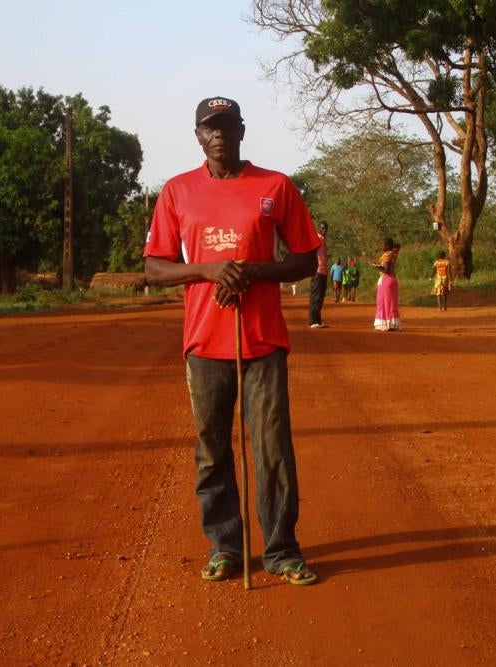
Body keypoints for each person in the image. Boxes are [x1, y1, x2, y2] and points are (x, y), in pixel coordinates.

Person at [143, 96, 319, 586]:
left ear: (243, 130)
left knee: (272, 448)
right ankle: (225, 546)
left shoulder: (276, 186)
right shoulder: (177, 192)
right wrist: (209, 269)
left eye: (226, 125)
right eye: (209, 127)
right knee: (212, 448)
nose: (219, 134)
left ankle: (282, 550)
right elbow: (155, 268)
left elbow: (306, 258)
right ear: (198, 135)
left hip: (262, 341)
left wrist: (253, 272)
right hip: (204, 342)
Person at [372, 238, 401, 331]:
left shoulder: (386, 255)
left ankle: (384, 323)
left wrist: (377, 267)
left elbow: (386, 269)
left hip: (386, 280)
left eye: (383, 245)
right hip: (393, 280)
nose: (382, 246)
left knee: (383, 303)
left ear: (388, 246)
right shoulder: (393, 254)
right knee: (391, 303)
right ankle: (392, 323)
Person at [307, 222, 328, 328]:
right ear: (318, 228)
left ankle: (318, 320)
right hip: (318, 271)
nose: (324, 230)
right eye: (322, 228)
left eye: (326, 229)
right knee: (315, 296)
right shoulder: (316, 239)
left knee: (320, 297)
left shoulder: (323, 240)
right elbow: (310, 255)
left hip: (324, 271)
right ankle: (312, 321)